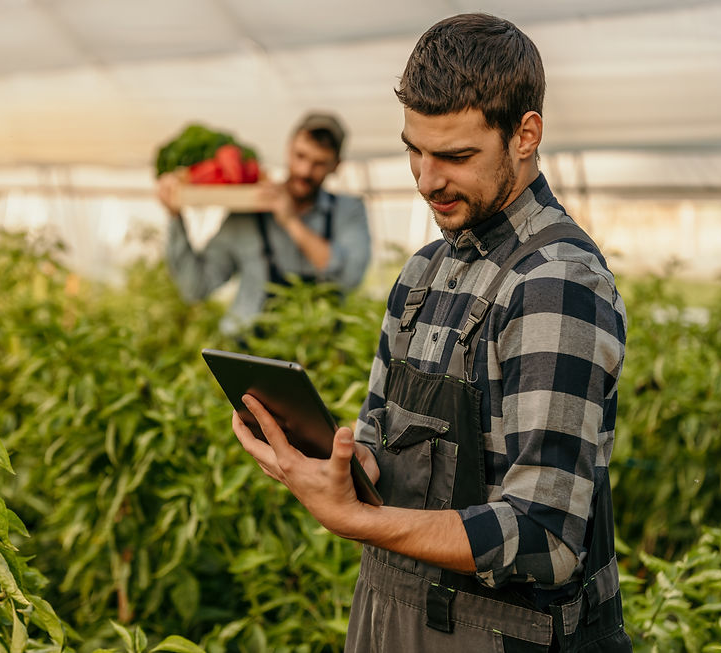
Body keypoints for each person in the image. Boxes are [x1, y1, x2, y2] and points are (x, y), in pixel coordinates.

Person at [231, 13, 632, 652]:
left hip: (500, 638)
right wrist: (336, 469)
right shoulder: (425, 272)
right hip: (396, 620)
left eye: (456, 156)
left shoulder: (556, 285)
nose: (426, 180)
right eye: (414, 149)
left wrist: (359, 519)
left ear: (526, 135)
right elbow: (379, 441)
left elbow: (546, 539)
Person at [157, 112, 372, 336]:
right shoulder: (249, 210)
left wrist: (290, 221)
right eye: (300, 156)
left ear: (336, 165)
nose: (305, 171)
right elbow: (196, 288)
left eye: (319, 163)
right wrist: (175, 216)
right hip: (247, 348)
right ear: (288, 149)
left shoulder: (349, 211)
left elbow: (349, 279)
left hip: (318, 348)